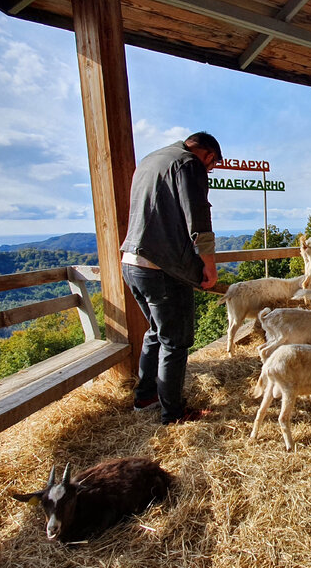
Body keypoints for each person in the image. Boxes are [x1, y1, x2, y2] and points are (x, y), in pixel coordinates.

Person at [120, 131, 221, 425]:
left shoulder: (151, 161)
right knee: (176, 342)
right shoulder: (189, 164)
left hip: (132, 263)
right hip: (160, 267)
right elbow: (198, 218)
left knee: (155, 331)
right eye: (211, 167)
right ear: (209, 156)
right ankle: (173, 413)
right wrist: (209, 266)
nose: (208, 172)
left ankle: (145, 396)